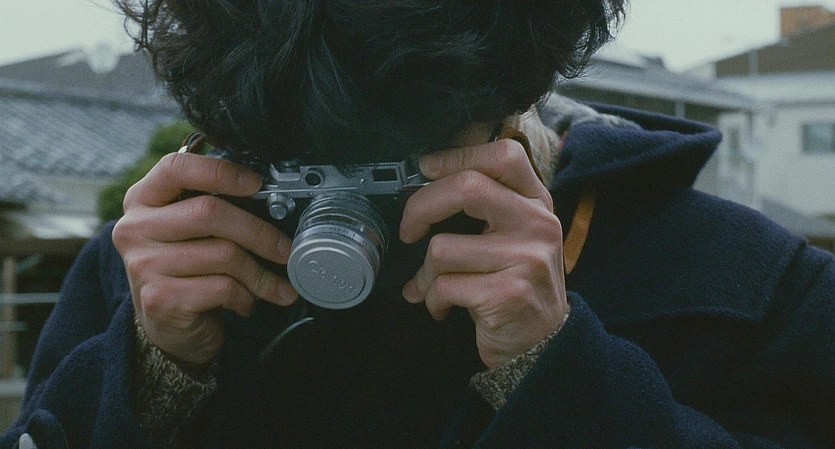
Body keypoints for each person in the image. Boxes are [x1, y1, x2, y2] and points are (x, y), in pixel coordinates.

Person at [3, 1, 835, 448]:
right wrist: (147, 376)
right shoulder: (151, 269)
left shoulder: (746, 286)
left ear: (515, 94)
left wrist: (557, 375)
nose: (346, 206)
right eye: (291, 161)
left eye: (394, 163)